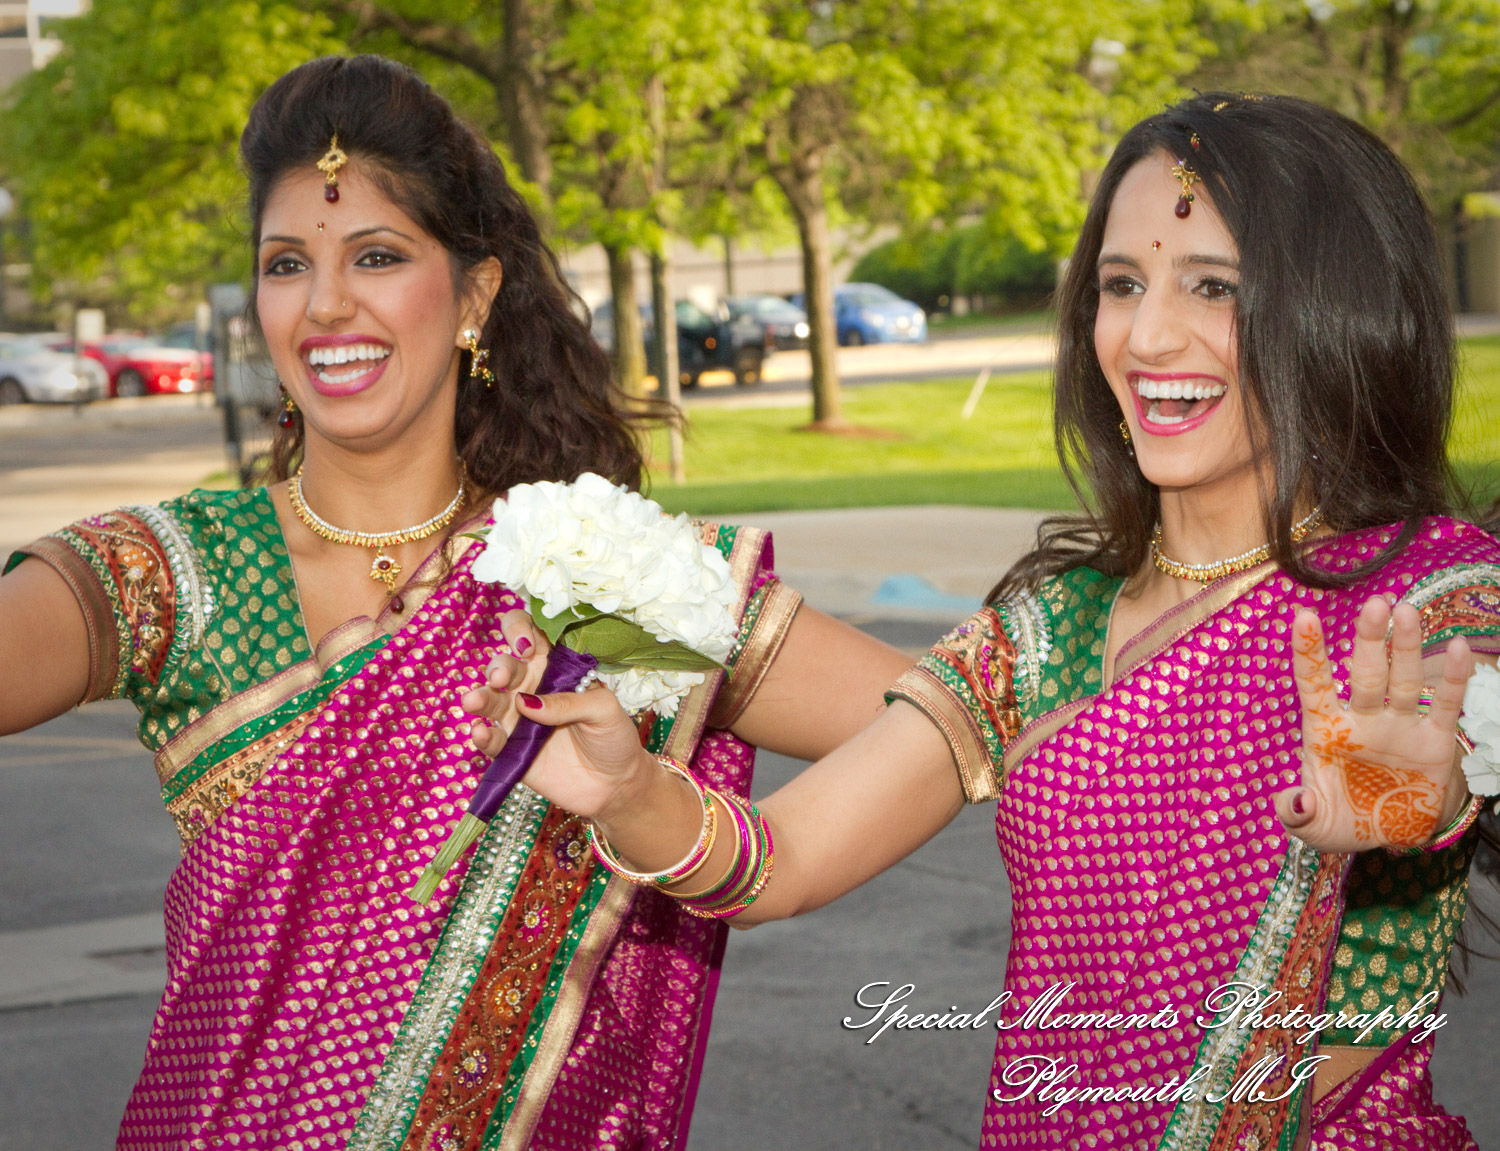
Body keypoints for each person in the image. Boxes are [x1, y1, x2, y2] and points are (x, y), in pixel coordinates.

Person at [474, 93, 1500, 1149]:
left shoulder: (1428, 597)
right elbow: (782, 856)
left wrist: (1438, 795)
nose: (1148, 335)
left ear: (1335, 308)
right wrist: (633, 794)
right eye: (1121, 284)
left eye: (1214, 286)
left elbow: (1466, 730)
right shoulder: (1049, 628)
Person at [0, 55, 912, 1150]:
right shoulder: (177, 570)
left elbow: (962, 710)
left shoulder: (587, 572)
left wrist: (681, 825)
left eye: (377, 256)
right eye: (287, 264)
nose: (326, 304)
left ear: (475, 295)